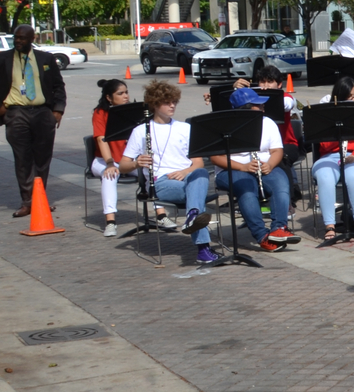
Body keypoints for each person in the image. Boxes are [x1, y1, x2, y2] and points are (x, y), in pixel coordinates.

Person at [117, 81, 217, 264]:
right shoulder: (141, 131)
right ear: (155, 104)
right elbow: (122, 166)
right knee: (197, 193)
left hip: (188, 178)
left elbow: (198, 163)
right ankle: (202, 247)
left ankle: (193, 216)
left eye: (174, 101)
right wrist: (136, 163)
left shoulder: (185, 128)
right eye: (167, 102)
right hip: (161, 182)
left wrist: (185, 171)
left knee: (201, 174)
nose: (172, 105)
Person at [210, 87, 295, 251]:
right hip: (231, 169)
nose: (263, 107)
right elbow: (215, 157)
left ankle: (279, 228)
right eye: (258, 105)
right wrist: (242, 166)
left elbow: (277, 150)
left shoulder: (268, 123)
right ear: (245, 109)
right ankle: (261, 235)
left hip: (263, 166)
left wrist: (270, 164)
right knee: (247, 188)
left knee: (281, 183)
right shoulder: (224, 126)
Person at [0, 24, 66, 215]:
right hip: (16, 113)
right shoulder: (4, 58)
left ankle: (40, 199)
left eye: (22, 38)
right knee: (22, 159)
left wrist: (57, 111)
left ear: (32, 39)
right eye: (16, 37)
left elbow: (58, 86)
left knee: (42, 160)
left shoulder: (45, 58)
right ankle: (27, 202)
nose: (18, 41)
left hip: (42, 113)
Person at [312, 76, 354, 245]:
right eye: (349, 97)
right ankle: (329, 225)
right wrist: (337, 130)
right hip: (329, 156)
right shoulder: (327, 114)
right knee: (325, 178)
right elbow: (323, 145)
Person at [90, 78, 132, 237]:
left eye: (126, 92)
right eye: (120, 93)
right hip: (103, 160)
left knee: (151, 171)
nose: (125, 96)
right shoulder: (100, 113)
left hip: (126, 160)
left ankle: (161, 215)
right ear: (109, 97)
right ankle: (110, 221)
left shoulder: (131, 111)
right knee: (110, 175)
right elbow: (101, 140)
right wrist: (109, 163)